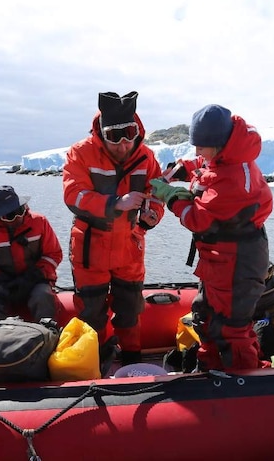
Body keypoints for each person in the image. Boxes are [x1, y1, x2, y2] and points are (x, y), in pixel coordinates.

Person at [151, 104, 274, 372]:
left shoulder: (233, 181)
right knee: (206, 316)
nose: (197, 152)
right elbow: (208, 164)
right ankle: (210, 368)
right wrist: (184, 169)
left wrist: (170, 196)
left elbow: (197, 218)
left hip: (237, 262)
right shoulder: (227, 156)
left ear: (219, 144)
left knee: (231, 328)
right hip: (220, 259)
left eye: (201, 146)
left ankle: (243, 381)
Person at [62, 91, 165, 367]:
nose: (123, 144)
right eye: (114, 137)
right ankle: (95, 365)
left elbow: (156, 194)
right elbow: (74, 195)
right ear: (102, 133)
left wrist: (152, 215)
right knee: (92, 313)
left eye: (129, 134)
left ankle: (132, 361)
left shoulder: (147, 157)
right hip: (90, 247)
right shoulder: (80, 154)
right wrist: (115, 203)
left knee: (130, 309)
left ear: (137, 130)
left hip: (129, 246)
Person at [0, 185, 62, 325]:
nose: (18, 217)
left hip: (37, 281)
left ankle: (48, 337)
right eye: (10, 215)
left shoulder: (40, 222)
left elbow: (54, 254)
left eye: (20, 210)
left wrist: (34, 276)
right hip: (0, 286)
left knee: (43, 296)